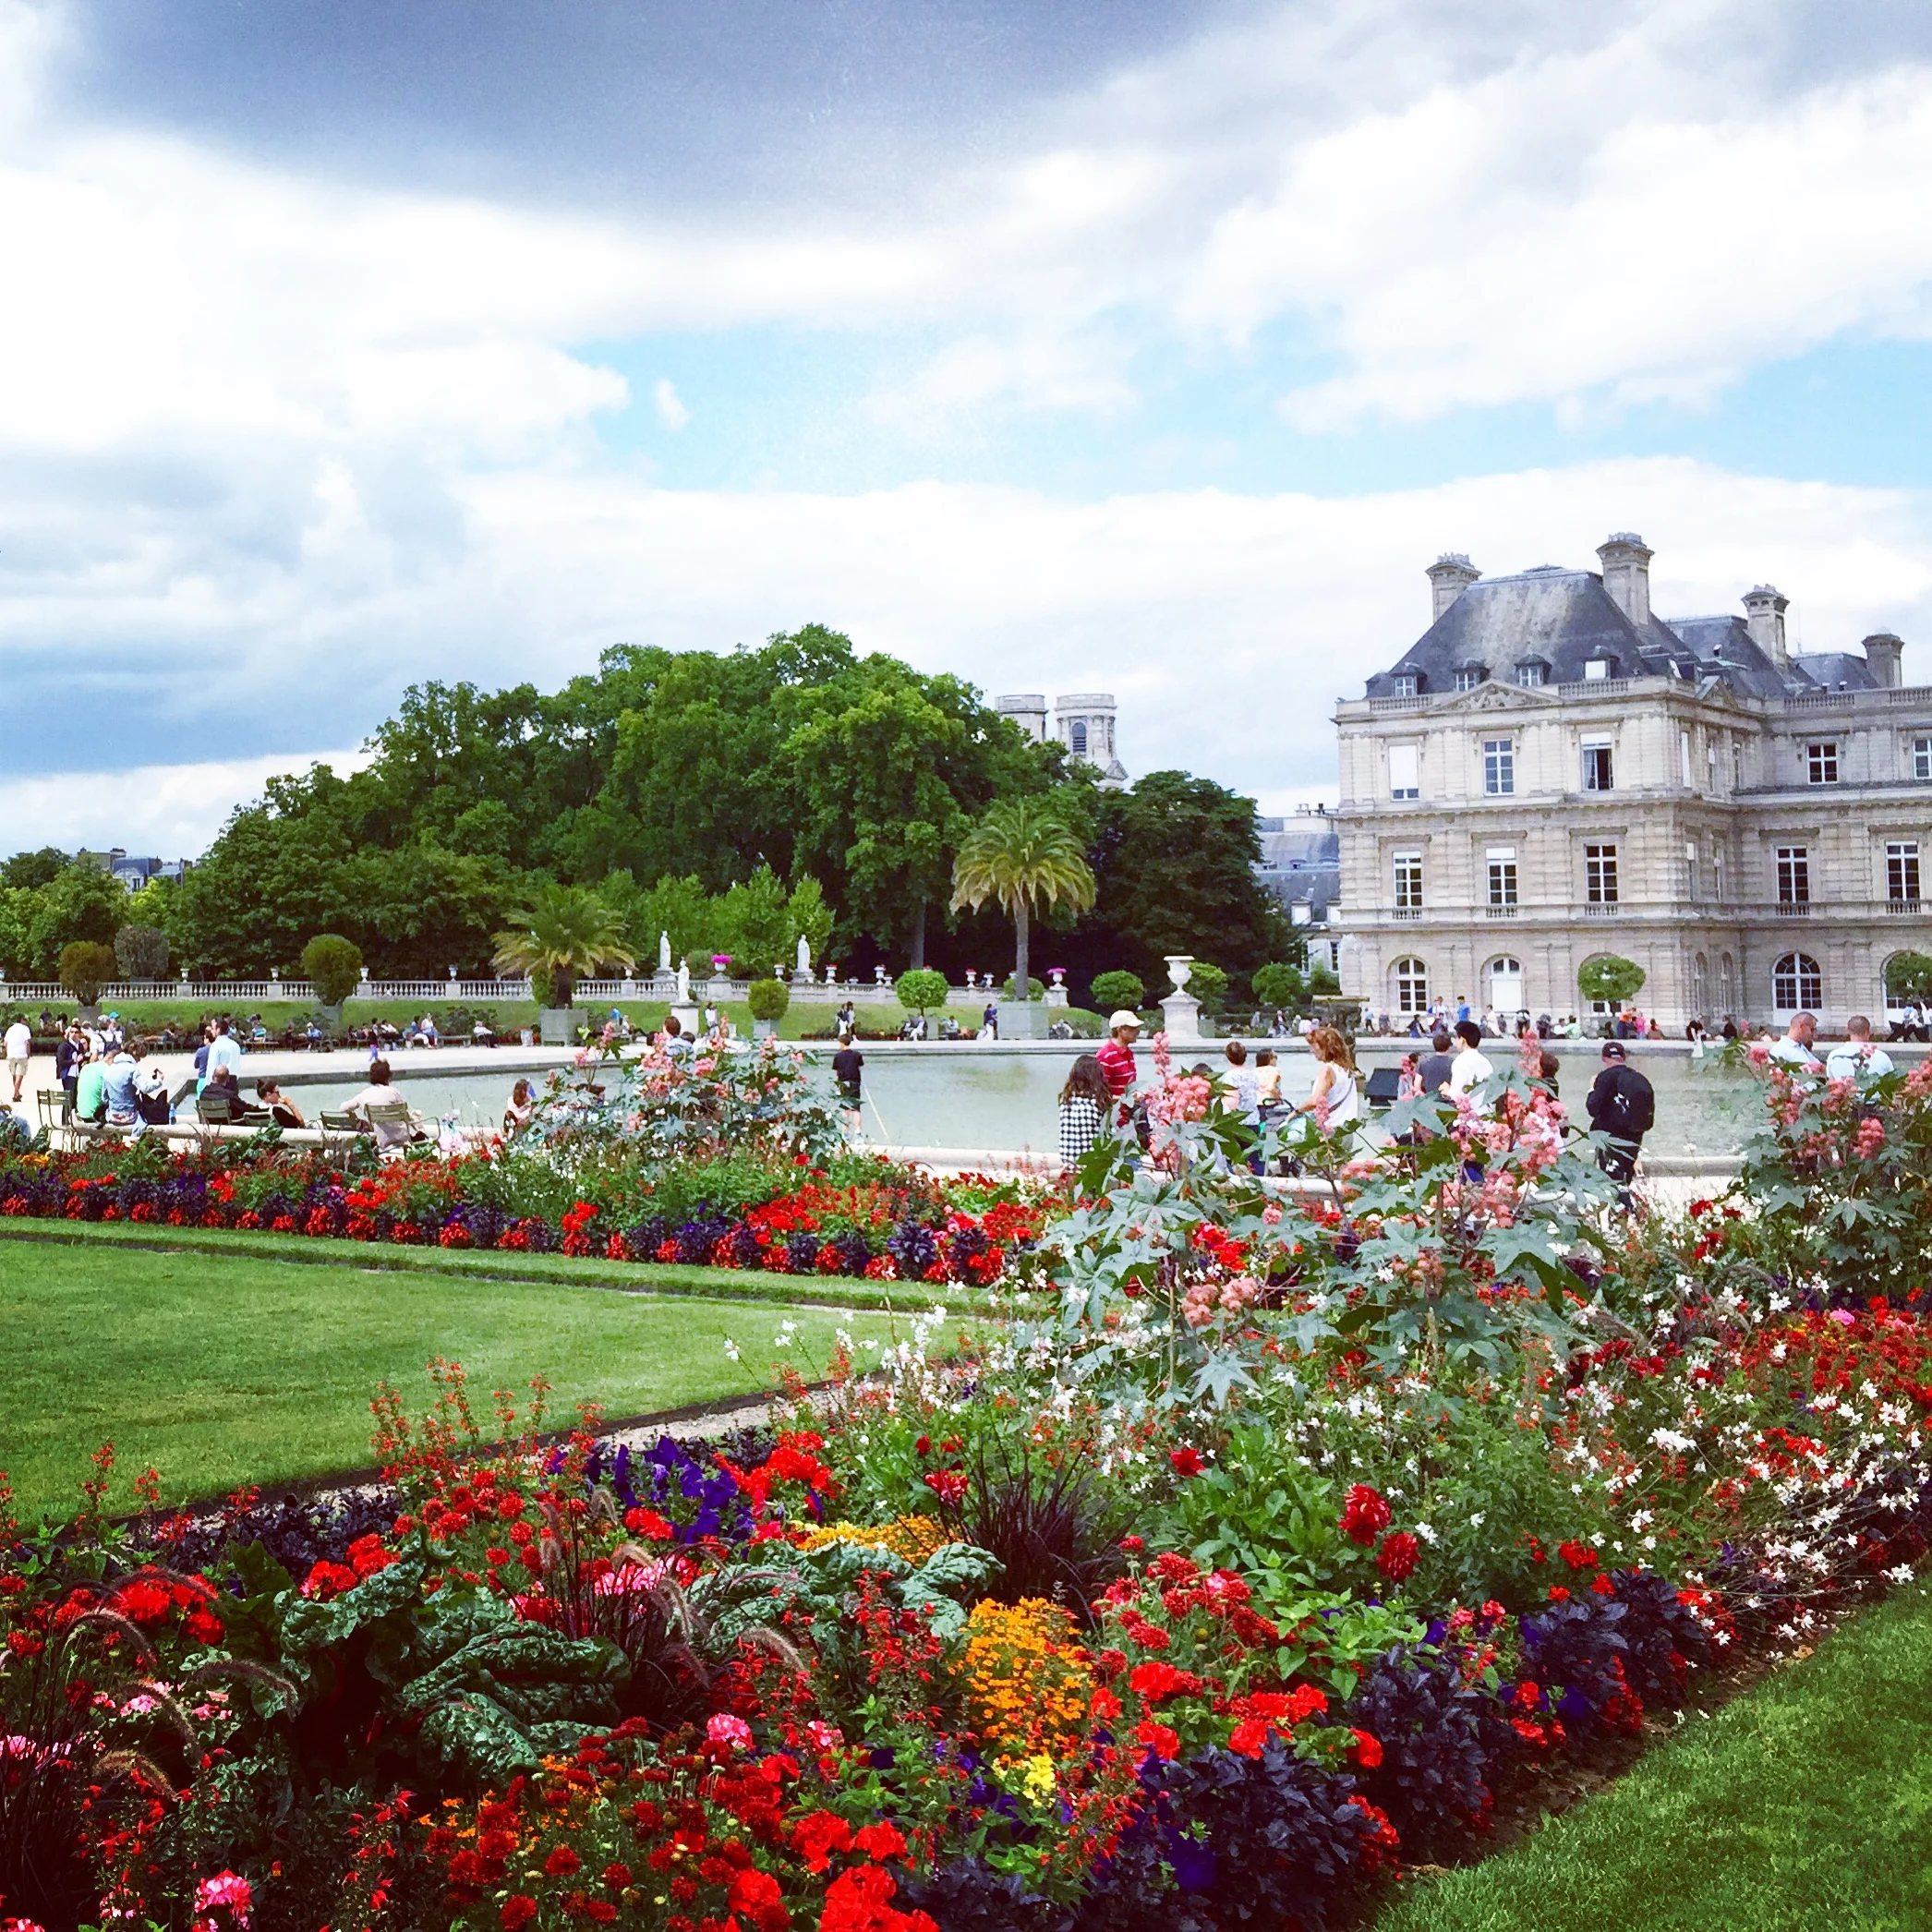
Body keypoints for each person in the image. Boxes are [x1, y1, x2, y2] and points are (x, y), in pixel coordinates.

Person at [1585, 1040, 1654, 1201]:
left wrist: (1591, 1089)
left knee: (1612, 1183)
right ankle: (1626, 1216)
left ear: (1604, 1058)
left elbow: (1592, 1108)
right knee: (1625, 1178)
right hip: (1633, 1138)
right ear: (1624, 1057)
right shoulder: (1638, 1078)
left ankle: (1622, 1213)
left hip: (1610, 1138)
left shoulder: (1604, 1078)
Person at [1295, 1026, 1360, 1136]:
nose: (1312, 1050)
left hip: (1329, 1133)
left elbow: (1315, 1101)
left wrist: (1296, 1111)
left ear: (1326, 1047)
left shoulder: (1328, 1071)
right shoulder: (1346, 1069)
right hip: (1346, 1133)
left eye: (1314, 1046)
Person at [343, 1058, 417, 1151]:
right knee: (415, 1117)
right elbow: (406, 1115)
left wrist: (354, 1116)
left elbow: (343, 1108)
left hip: (381, 1141)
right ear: (388, 1076)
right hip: (402, 1138)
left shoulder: (365, 1094)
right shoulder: (393, 1092)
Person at [1057, 1054, 1112, 1174]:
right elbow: (1109, 1136)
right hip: (1092, 1168)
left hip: (1068, 1166)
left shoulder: (1065, 1101)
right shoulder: (1097, 1103)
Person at [1825, 1014, 1895, 1083]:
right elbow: (1893, 1083)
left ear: (1848, 1031)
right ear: (1869, 1032)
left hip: (1846, 1093)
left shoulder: (1833, 1056)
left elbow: (1831, 1083)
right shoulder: (1882, 1058)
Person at [1096, 1011, 1141, 1106]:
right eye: (1132, 1028)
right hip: (1114, 1114)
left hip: (1128, 1111)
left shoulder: (1128, 1052)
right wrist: (1126, 1099)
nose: (1137, 1031)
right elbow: (1099, 1093)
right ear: (1120, 1030)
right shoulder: (1106, 1056)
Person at [1769, 1010, 1825, 1081]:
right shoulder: (1779, 1050)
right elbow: (1777, 1079)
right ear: (1802, 1026)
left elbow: (1820, 1067)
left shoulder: (1801, 1048)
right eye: (1812, 1029)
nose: (1814, 1035)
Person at [1448, 1020, 1494, 1097]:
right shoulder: (1486, 1062)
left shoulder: (1460, 1062)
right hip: (1487, 1108)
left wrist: (1447, 1091)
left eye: (1457, 1037)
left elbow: (1457, 1094)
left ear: (1462, 1040)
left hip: (1469, 1107)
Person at [101, 1044, 141, 1128]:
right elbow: (145, 1088)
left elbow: (104, 1098)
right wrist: (159, 1080)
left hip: (112, 1116)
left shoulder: (108, 1070)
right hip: (130, 1116)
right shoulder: (132, 1068)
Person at [74, 1048, 109, 1125]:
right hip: (95, 1116)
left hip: (82, 1113)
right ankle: (112, 1136)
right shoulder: (106, 1069)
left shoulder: (85, 1068)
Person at [832, 1032, 863, 1105]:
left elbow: (836, 1071)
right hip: (855, 1083)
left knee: (845, 1107)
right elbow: (859, 1067)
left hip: (843, 1083)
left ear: (842, 1044)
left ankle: (845, 1116)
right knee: (856, 1109)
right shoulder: (857, 1055)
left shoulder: (837, 1056)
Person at [137, 1059, 172, 1125]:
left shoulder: (140, 1078)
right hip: (162, 1118)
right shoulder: (161, 1087)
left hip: (147, 1117)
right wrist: (159, 1080)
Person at [5, 1013, 30, 1104]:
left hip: (11, 1054)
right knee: (20, 1075)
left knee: (14, 1075)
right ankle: (15, 1094)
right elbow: (27, 1042)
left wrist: (7, 1053)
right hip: (21, 1054)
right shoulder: (25, 1029)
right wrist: (28, 1053)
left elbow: (5, 1043)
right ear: (22, 1020)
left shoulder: (10, 1029)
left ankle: (17, 1093)